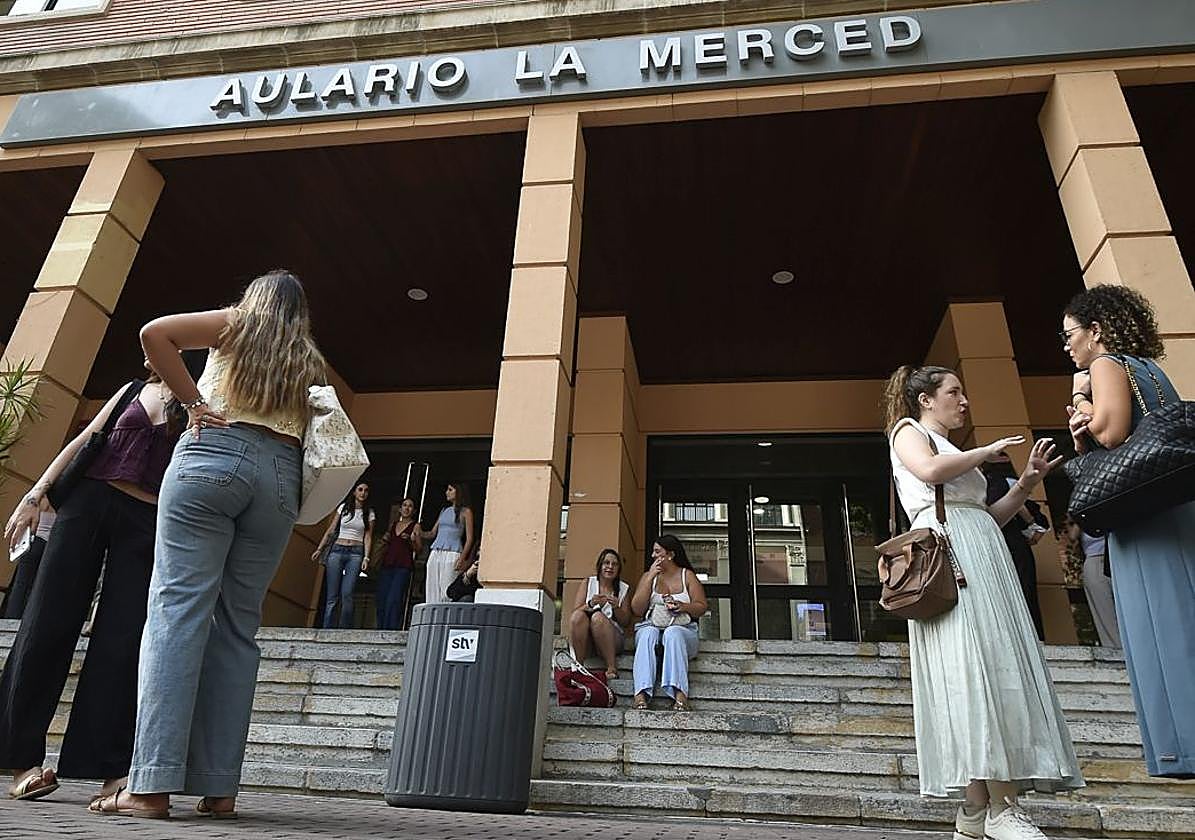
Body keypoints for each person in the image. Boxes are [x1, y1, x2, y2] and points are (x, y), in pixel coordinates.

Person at [90, 269, 327, 819]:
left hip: (213, 456)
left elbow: (155, 334)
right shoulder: (307, 358)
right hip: (280, 478)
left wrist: (194, 403)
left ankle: (149, 787)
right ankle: (220, 790)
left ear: (254, 299)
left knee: (177, 611)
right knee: (239, 626)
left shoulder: (235, 324)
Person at [883, 364, 1083, 840]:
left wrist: (1026, 482)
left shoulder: (954, 447)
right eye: (954, 392)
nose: (964, 400)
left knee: (991, 668)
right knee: (973, 669)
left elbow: (987, 515)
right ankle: (1001, 807)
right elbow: (928, 472)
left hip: (982, 550)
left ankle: (976, 812)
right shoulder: (907, 430)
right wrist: (986, 452)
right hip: (950, 559)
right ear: (926, 399)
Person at [0, 366, 186, 805]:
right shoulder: (132, 389)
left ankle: (109, 767)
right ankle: (21, 761)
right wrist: (34, 496)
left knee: (122, 642)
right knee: (46, 623)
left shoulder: (199, 404)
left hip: (147, 520)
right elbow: (83, 443)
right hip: (88, 503)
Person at [1062, 284, 1193, 778]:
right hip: (1173, 505)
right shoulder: (1151, 370)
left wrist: (1080, 399)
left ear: (1095, 331)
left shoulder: (1104, 365)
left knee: (1158, 625)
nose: (1067, 345)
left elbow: (1112, 433)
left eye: (1070, 334)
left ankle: (1179, 746)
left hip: (1141, 519)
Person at [629, 535, 707, 712]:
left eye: (657, 552)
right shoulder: (648, 577)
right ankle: (640, 694)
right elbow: (637, 609)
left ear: (670, 555)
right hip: (653, 628)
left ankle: (680, 695)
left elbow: (701, 607)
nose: (652, 556)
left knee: (673, 632)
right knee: (648, 633)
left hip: (683, 632)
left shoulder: (687, 575)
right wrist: (649, 578)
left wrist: (683, 606)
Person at [982, 463, 1048, 640]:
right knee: (1025, 594)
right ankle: (1033, 638)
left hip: (1000, 544)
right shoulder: (1015, 483)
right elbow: (1039, 530)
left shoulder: (993, 483)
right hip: (1015, 545)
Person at [312, 483, 375, 629]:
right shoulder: (344, 508)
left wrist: (367, 557)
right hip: (337, 550)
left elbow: (368, 536)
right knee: (332, 596)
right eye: (360, 489)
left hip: (356, 553)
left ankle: (344, 629)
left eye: (366, 490)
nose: (363, 493)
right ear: (354, 492)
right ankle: (327, 630)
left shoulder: (369, 513)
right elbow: (331, 529)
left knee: (347, 593)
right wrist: (320, 549)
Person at [568, 548, 631, 679]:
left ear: (619, 569)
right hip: (588, 638)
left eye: (614, 564)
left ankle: (611, 667)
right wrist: (591, 604)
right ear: (600, 566)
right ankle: (579, 665)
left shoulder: (623, 588)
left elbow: (626, 622)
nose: (610, 567)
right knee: (578, 616)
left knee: (598, 618)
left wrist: (616, 608)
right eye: (606, 563)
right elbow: (576, 613)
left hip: (613, 639)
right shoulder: (588, 582)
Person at [1065, 518, 1119, 648]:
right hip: (1096, 559)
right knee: (1105, 611)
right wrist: (1079, 516)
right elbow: (1072, 535)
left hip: (1119, 557)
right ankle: (1116, 651)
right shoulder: (1083, 512)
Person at [422, 483, 474, 604]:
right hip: (436, 551)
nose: (447, 492)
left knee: (447, 589)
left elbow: (470, 538)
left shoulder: (466, 512)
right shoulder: (444, 510)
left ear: (458, 492)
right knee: (432, 586)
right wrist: (419, 532)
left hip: (453, 553)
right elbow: (432, 533)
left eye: (450, 489)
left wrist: (462, 558)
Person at [0, 509, 54, 620]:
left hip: (33, 541)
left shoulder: (39, 496)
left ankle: (12, 619)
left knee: (21, 585)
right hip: (50, 542)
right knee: (40, 586)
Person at [375, 497, 420, 630]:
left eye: (410, 506)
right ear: (400, 509)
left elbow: (419, 548)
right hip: (388, 563)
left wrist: (411, 541)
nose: (407, 508)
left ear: (414, 510)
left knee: (394, 599)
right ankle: (380, 628)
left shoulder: (415, 526)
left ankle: (391, 629)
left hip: (403, 565)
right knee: (382, 597)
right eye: (404, 505)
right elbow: (386, 541)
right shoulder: (393, 525)